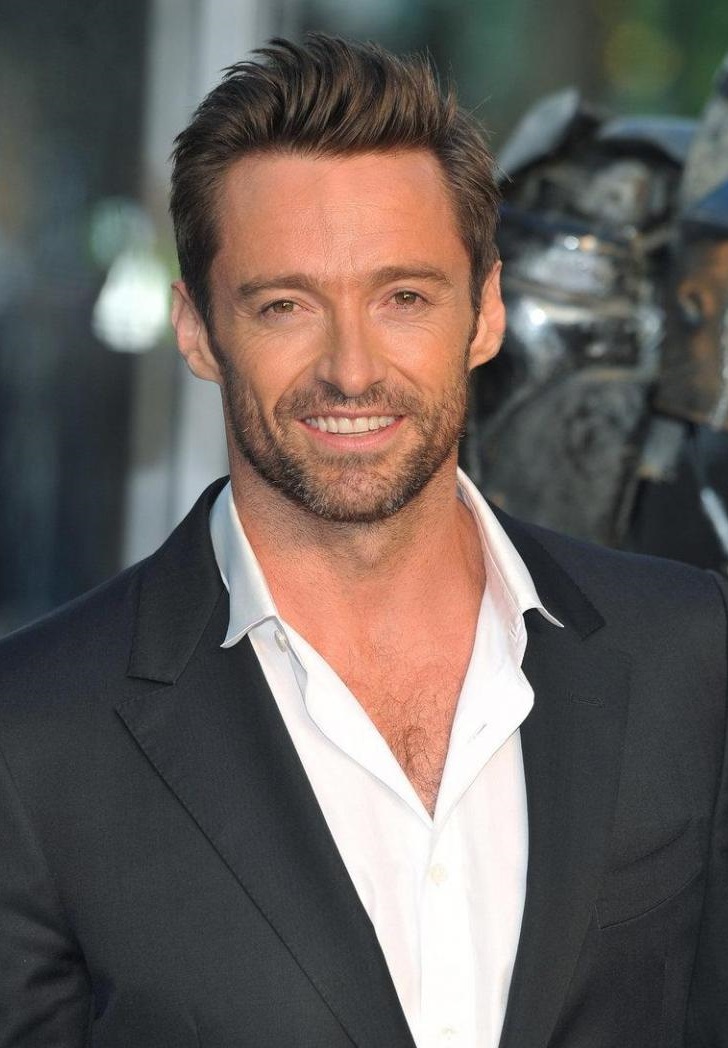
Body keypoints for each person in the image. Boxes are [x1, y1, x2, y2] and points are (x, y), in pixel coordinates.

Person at [0, 34, 726, 1048]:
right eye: (285, 305)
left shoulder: (692, 654)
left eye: (403, 298)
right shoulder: (31, 738)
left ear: (486, 313)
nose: (351, 369)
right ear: (198, 330)